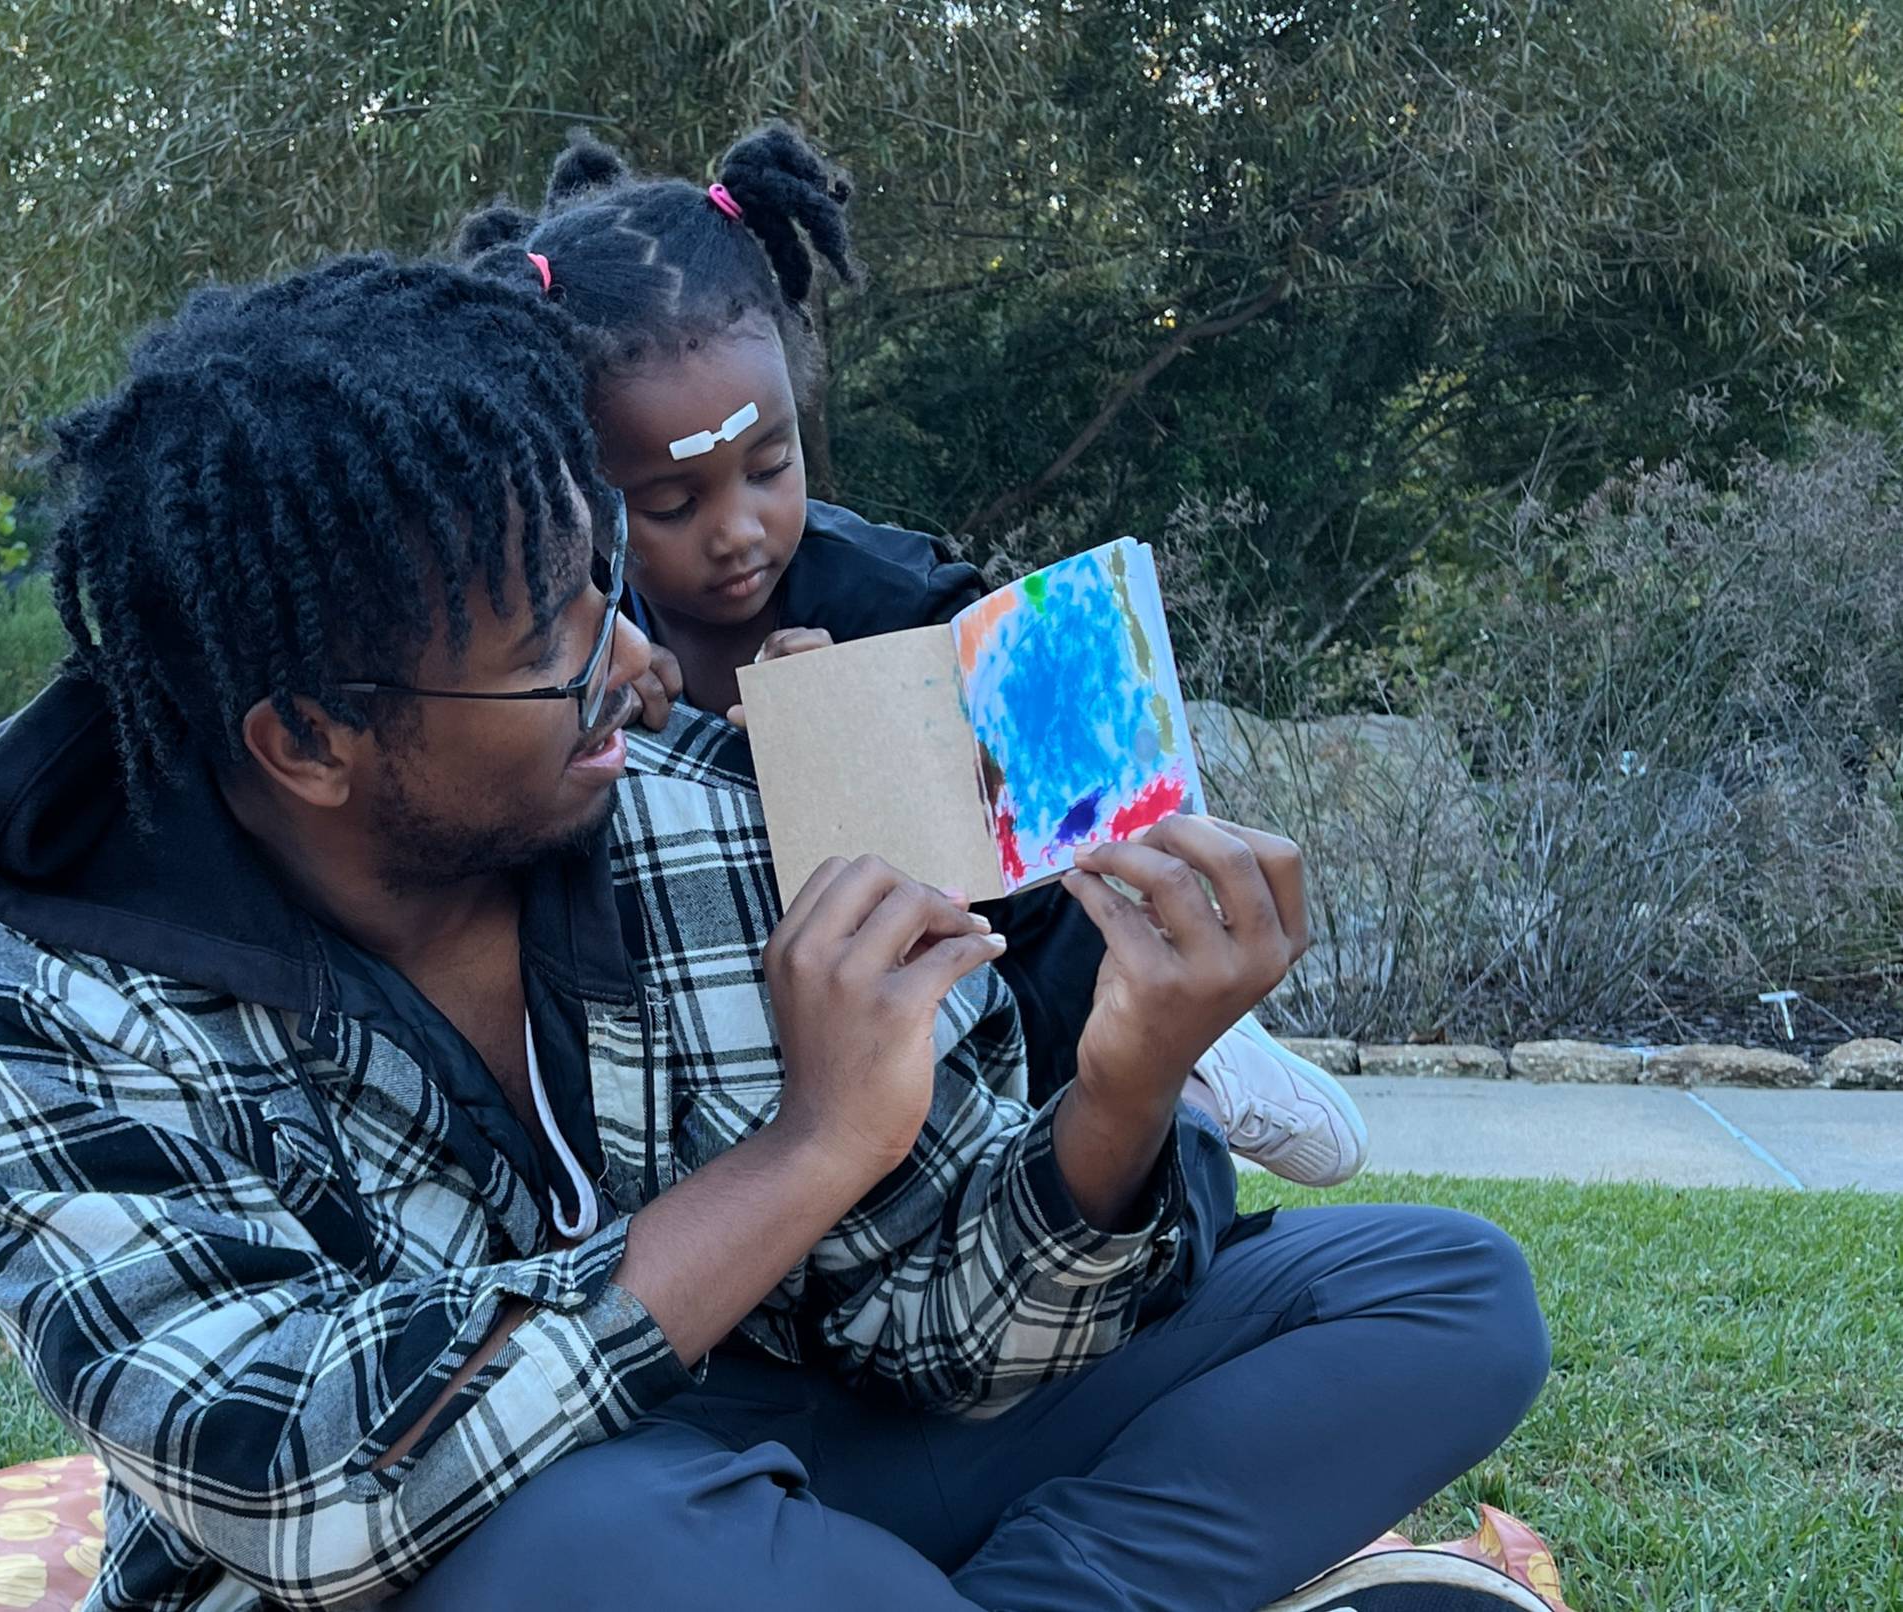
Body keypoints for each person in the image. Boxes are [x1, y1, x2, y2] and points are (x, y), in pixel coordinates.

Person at [0, 252, 1550, 1612]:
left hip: (790, 1487)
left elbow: (946, 1338)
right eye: (557, 642)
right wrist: (800, 1151)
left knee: (1433, 1292)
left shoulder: (699, 818)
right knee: (593, 1538)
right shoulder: (41, 1000)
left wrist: (1119, 1085)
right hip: (472, 1574)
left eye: (607, 585)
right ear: (309, 741)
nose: (638, 664)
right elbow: (305, 1486)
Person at [455, 125, 1368, 1188]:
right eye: (671, 503)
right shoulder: (568, 637)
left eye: (771, 465)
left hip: (1000, 959)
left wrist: (862, 719)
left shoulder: (898, 596)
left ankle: (1183, 1060)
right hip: (760, 1032)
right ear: (580, 488)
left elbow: (1044, 835)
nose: (738, 528)